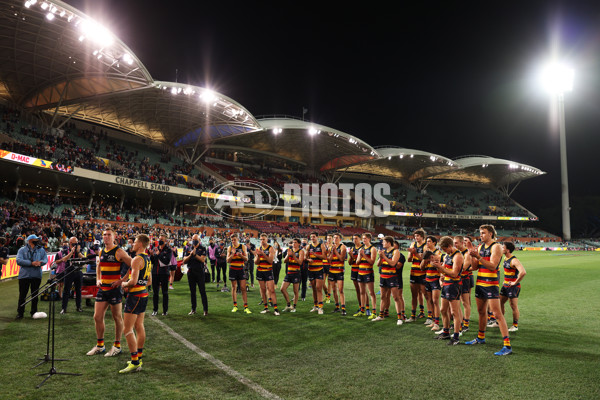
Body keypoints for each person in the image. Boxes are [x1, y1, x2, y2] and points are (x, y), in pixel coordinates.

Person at [465, 224, 513, 356]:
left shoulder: (496, 246)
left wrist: (478, 257)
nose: (481, 235)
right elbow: (474, 267)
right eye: (480, 233)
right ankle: (481, 338)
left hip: (491, 284)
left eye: (483, 233)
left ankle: (507, 345)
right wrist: (471, 254)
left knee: (497, 314)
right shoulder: (480, 247)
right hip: (480, 283)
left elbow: (492, 266)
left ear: (491, 234)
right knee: (481, 312)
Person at [87, 228, 132, 357]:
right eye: (104, 235)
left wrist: (121, 281)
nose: (106, 237)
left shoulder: (119, 251)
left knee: (117, 317)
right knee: (97, 316)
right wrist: (98, 279)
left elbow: (132, 265)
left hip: (114, 290)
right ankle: (100, 345)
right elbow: (99, 266)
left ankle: (117, 346)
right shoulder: (102, 251)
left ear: (114, 237)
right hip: (103, 288)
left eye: (109, 235)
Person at [119, 234, 151, 373]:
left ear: (141, 244)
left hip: (135, 296)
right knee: (139, 325)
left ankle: (134, 361)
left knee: (127, 329)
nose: (132, 244)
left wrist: (124, 284)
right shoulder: (147, 258)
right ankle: (139, 356)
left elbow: (133, 281)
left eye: (135, 242)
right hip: (143, 294)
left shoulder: (136, 259)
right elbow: (149, 281)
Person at [432, 236, 464, 345]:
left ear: (450, 246)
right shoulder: (447, 255)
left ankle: (456, 336)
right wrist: (440, 273)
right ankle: (446, 332)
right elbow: (444, 268)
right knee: (443, 309)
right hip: (446, 284)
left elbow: (455, 273)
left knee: (454, 312)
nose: (444, 251)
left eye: (445, 249)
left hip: (454, 285)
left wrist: (441, 268)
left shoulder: (458, 256)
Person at [372, 236, 404, 325]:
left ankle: (399, 318)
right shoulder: (383, 252)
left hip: (392, 277)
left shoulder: (396, 251)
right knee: (383, 297)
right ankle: (381, 316)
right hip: (383, 277)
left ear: (389, 243)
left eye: (384, 242)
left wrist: (384, 256)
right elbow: (378, 264)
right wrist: (381, 256)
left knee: (395, 297)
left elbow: (393, 263)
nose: (382, 243)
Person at [16, 234, 48, 319]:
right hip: (24, 276)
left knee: (35, 295)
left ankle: (34, 312)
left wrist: (40, 263)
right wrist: (31, 263)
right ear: (30, 240)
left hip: (36, 275)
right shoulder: (22, 250)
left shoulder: (41, 250)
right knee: (22, 295)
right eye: (35, 239)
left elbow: (45, 259)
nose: (37, 240)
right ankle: (20, 313)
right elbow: (18, 261)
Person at [500, 241, 527, 332]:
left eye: (503, 247)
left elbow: (523, 272)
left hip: (513, 287)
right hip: (505, 285)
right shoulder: (505, 258)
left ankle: (515, 325)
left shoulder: (514, 260)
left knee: (513, 306)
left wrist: (515, 282)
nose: (501, 248)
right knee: (500, 303)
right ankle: (500, 322)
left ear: (507, 250)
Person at [255, 233, 280, 315]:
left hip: (268, 271)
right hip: (260, 271)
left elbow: (270, 261)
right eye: (261, 239)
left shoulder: (270, 248)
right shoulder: (258, 248)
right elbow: (256, 262)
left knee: (271, 290)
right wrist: (258, 256)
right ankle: (266, 308)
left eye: (263, 239)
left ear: (267, 240)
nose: (262, 241)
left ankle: (276, 309)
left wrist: (263, 254)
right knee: (262, 290)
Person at [183, 234, 208, 316]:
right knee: (192, 292)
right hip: (190, 272)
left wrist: (195, 255)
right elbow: (184, 260)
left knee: (202, 291)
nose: (194, 240)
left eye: (195, 239)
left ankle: (205, 310)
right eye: (193, 239)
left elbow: (202, 260)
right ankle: (193, 309)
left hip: (200, 272)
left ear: (199, 240)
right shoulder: (188, 248)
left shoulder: (203, 248)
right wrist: (190, 255)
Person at [59, 236, 85, 314]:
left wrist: (78, 252)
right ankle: (64, 308)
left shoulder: (79, 250)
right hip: (69, 272)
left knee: (78, 290)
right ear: (70, 243)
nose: (76, 244)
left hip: (78, 271)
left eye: (77, 242)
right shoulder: (65, 250)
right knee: (66, 290)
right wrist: (71, 252)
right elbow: (64, 259)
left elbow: (84, 258)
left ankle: (78, 307)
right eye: (75, 242)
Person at [421, 236, 442, 331]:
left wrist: (435, 264)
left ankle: (437, 323)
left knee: (435, 301)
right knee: (429, 300)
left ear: (434, 242)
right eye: (426, 241)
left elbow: (440, 268)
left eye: (429, 241)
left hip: (435, 279)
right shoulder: (426, 253)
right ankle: (433, 321)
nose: (427, 243)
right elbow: (421, 267)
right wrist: (425, 260)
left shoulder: (438, 253)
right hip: (428, 278)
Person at [227, 234, 251, 313]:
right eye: (232, 240)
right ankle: (235, 306)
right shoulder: (230, 248)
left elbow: (246, 259)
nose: (233, 241)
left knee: (243, 288)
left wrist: (240, 255)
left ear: (238, 239)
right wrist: (232, 254)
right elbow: (228, 260)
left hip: (241, 269)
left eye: (234, 239)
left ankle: (246, 307)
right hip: (232, 269)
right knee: (234, 287)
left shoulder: (243, 247)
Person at [406, 229, 426, 322]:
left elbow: (424, 259)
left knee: (426, 295)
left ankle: (430, 316)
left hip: (423, 273)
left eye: (418, 236)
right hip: (413, 272)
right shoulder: (413, 245)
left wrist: (415, 253)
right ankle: (413, 316)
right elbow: (409, 260)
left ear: (422, 236)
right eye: (415, 236)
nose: (416, 237)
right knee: (414, 295)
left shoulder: (425, 246)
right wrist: (410, 254)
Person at [356, 233, 377, 319]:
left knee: (371, 293)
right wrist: (360, 256)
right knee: (362, 292)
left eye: (365, 239)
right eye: (363, 239)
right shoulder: (361, 249)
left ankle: (374, 312)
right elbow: (357, 262)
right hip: (360, 272)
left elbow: (372, 262)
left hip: (368, 272)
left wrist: (363, 255)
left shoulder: (373, 249)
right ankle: (362, 310)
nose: (363, 240)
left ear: (369, 239)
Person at [454, 235, 473, 333]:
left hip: (464, 279)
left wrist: (452, 272)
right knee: (458, 302)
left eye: (456, 243)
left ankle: (466, 324)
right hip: (457, 279)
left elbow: (465, 267)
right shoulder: (457, 252)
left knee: (465, 302)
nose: (454, 245)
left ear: (462, 243)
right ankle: (460, 322)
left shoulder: (467, 253)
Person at [150, 234, 172, 316]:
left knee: (165, 292)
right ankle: (155, 310)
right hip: (155, 273)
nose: (160, 240)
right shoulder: (155, 249)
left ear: (165, 240)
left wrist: (158, 255)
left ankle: (165, 310)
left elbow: (166, 261)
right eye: (159, 239)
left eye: (162, 239)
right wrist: (152, 255)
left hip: (164, 273)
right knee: (155, 293)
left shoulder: (168, 250)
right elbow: (153, 262)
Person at [306, 232, 326, 314]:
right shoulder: (308, 246)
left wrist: (315, 254)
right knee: (314, 288)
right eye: (311, 237)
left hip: (319, 269)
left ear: (317, 237)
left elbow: (324, 257)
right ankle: (315, 305)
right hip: (311, 270)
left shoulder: (321, 245)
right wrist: (308, 259)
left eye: (314, 237)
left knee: (318, 288)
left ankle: (320, 307)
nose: (312, 238)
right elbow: (306, 257)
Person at [281, 239, 304, 312]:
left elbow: (300, 262)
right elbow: (284, 261)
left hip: (296, 273)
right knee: (282, 289)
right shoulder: (289, 250)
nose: (294, 244)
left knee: (295, 291)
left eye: (295, 243)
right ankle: (288, 305)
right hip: (289, 273)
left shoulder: (301, 251)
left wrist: (293, 256)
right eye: (293, 242)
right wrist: (288, 255)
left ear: (299, 244)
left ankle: (294, 307)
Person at [327, 233, 347, 315]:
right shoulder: (330, 247)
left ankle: (343, 308)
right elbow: (329, 260)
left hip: (339, 271)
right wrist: (332, 252)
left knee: (340, 290)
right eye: (334, 238)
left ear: (340, 239)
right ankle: (337, 306)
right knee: (334, 290)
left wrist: (335, 251)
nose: (335, 239)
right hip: (332, 270)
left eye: (337, 238)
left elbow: (342, 258)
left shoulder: (343, 247)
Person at [348, 234, 368, 316]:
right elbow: (350, 263)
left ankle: (367, 308)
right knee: (357, 290)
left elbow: (360, 262)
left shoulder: (363, 248)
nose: (354, 240)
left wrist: (353, 256)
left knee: (363, 291)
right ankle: (361, 307)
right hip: (354, 270)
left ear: (360, 239)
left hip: (361, 271)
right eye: (353, 238)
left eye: (356, 238)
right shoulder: (353, 249)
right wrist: (350, 256)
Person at [322, 234, 333, 303]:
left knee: (329, 282)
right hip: (323, 265)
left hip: (330, 265)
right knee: (322, 282)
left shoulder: (334, 246)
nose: (329, 239)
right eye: (328, 238)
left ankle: (328, 297)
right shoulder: (323, 246)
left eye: (330, 238)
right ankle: (327, 294)